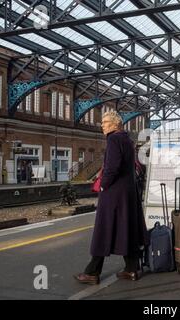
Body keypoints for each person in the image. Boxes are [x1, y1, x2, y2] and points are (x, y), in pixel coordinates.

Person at [74, 111, 149, 285]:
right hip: (128, 193)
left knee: (104, 230)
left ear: (116, 124)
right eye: (102, 122)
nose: (102, 125)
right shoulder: (128, 140)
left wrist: (102, 185)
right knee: (126, 227)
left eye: (106, 122)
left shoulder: (114, 140)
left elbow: (112, 168)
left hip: (114, 194)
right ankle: (131, 269)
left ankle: (92, 273)